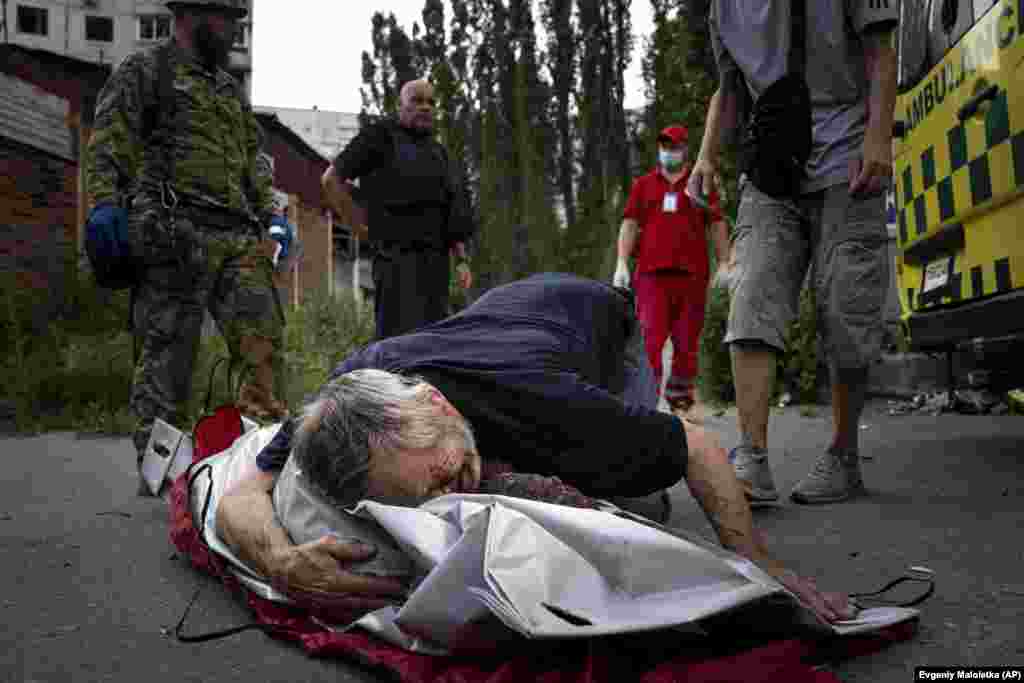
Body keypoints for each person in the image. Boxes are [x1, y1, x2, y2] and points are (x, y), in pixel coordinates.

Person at [216, 273, 856, 625]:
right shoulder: (348, 394)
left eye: (450, 475)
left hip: (602, 320)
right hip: (507, 311)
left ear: (439, 406)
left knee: (642, 505)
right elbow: (245, 495)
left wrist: (761, 571)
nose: (451, 497)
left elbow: (699, 448)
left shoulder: (545, 402)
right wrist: (279, 561)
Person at [689, 1, 898, 504]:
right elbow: (730, 87)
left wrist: (878, 138)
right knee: (753, 293)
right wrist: (706, 156)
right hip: (772, 167)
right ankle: (753, 459)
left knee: (847, 307)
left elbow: (881, 54)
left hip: (848, 160)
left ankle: (844, 457)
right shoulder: (725, 8)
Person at [84, 0, 288, 495]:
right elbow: (111, 138)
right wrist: (105, 203)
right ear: (192, 15)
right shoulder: (148, 69)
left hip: (239, 237)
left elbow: (253, 161)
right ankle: (164, 482)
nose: (232, 30)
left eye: (238, 20)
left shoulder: (228, 89)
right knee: (167, 362)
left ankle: (257, 474)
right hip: (173, 233)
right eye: (226, 20)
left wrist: (275, 217)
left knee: (263, 349)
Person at [320, 79, 476, 341]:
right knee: (396, 343)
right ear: (400, 106)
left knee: (432, 341)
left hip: (435, 267)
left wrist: (461, 261)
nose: (425, 107)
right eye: (417, 101)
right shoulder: (380, 137)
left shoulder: (439, 153)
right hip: (395, 261)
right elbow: (330, 180)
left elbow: (453, 212)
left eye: (431, 102)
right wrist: (358, 228)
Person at [614, 125, 730, 422]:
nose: (668, 151)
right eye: (664, 146)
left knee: (687, 343)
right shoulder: (644, 185)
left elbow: (716, 223)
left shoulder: (700, 183)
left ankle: (681, 404)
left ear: (685, 149)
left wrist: (726, 262)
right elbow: (629, 224)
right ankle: (644, 403)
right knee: (649, 341)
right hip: (651, 277)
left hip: (692, 276)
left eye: (674, 146)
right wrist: (621, 263)